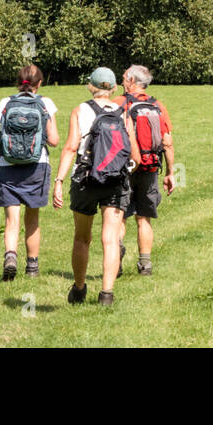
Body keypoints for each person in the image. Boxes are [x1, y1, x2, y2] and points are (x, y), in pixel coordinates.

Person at [53, 67, 137, 306]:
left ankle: (79, 289)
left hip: (85, 179)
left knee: (81, 238)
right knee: (110, 239)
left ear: (90, 86)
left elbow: (70, 148)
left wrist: (58, 181)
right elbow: (134, 154)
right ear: (113, 89)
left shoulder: (80, 110)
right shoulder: (123, 113)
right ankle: (107, 294)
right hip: (115, 181)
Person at [0, 64, 59, 281]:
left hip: (7, 166)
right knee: (33, 219)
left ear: (18, 82)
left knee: (12, 220)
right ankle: (32, 266)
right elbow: (54, 140)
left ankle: (11, 256)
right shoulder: (45, 103)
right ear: (39, 83)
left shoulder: (6, 102)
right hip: (36, 167)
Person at [118, 65, 176, 277]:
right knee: (144, 218)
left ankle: (116, 258)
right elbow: (167, 142)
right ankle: (145, 265)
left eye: (124, 77)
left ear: (132, 80)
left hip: (124, 168)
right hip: (150, 166)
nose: (122, 81)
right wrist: (170, 172)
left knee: (119, 215)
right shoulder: (157, 105)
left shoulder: (120, 104)